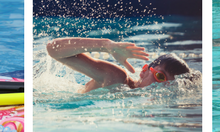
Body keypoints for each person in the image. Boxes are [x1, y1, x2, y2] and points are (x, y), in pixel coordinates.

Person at [46, 37, 192, 93]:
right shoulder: (117, 78)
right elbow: (53, 49)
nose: (161, 87)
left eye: (170, 85)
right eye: (160, 76)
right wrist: (105, 46)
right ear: (144, 71)